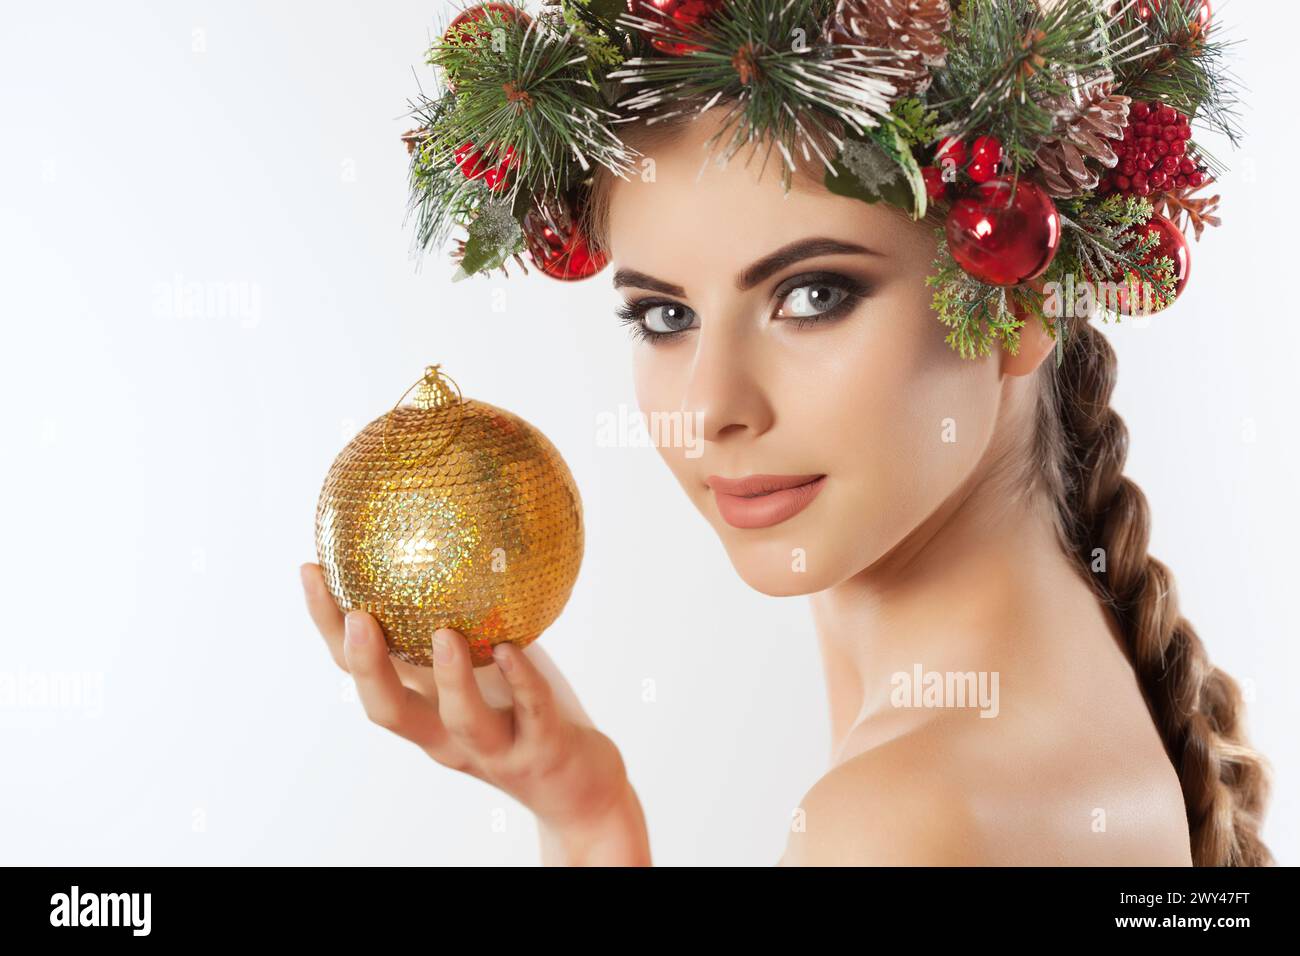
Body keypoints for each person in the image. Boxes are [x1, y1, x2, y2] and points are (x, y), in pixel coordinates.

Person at [301, 100, 1271, 867]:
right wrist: (586, 814)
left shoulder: (898, 820)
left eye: (813, 295)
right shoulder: (1061, 703)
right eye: (662, 314)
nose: (712, 405)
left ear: (1016, 302)